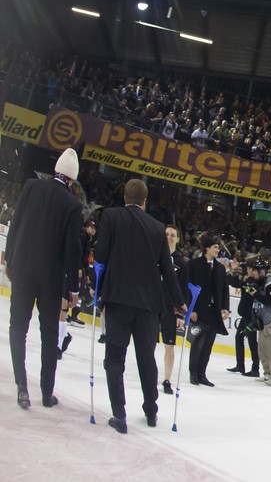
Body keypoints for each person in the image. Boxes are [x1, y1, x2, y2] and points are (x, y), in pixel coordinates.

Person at [94, 179, 185, 433]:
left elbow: (100, 257)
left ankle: (119, 414)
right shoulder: (157, 228)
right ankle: (151, 411)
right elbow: (168, 271)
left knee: (114, 358)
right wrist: (179, 302)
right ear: (145, 201)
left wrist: (97, 290)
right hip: (148, 305)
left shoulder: (110, 217)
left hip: (118, 300)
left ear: (125, 197)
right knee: (146, 358)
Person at [7, 148, 83, 409]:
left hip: (23, 270)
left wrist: (10, 259)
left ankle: (21, 386)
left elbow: (16, 223)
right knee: (49, 336)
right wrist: (73, 287)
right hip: (51, 280)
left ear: (55, 171)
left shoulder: (31, 187)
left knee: (18, 327)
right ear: (72, 180)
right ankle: (46, 392)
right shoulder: (73, 205)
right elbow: (72, 249)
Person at [187, 236, 230, 387]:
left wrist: (225, 308)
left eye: (218, 247)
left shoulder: (220, 268)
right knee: (197, 342)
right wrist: (191, 310)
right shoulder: (194, 264)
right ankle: (193, 373)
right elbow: (188, 286)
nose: (218, 250)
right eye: (215, 247)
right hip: (199, 311)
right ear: (207, 248)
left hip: (214, 311)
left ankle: (201, 374)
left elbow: (224, 289)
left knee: (208, 344)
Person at [159, 224, 188, 395]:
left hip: (171, 309)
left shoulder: (182, 263)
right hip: (152, 304)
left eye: (172, 235)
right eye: (167, 234)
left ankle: (167, 379)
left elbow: (184, 290)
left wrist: (181, 314)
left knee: (169, 345)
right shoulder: (155, 255)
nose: (169, 237)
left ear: (178, 239)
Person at [227, 263, 260, 377]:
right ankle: (240, 365)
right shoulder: (248, 281)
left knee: (252, 341)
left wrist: (232, 274)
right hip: (246, 316)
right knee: (239, 337)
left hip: (250, 316)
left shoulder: (253, 282)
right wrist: (233, 273)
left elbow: (236, 284)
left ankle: (255, 369)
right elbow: (234, 283)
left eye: (250, 268)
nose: (248, 270)